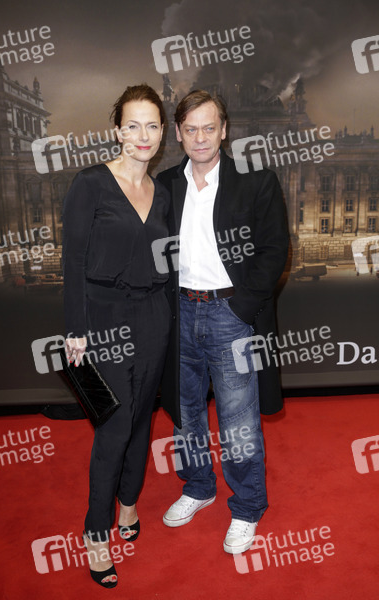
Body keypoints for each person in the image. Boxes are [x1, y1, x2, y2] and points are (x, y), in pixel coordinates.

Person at [157, 90, 289, 554]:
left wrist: (240, 308)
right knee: (185, 414)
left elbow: (274, 250)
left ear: (224, 130)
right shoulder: (165, 185)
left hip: (230, 315)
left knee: (238, 422)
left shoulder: (256, 181)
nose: (200, 138)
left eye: (209, 128)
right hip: (179, 314)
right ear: (178, 134)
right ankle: (198, 486)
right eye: (190, 129)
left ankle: (248, 506)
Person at [62, 84, 171, 588]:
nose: (142, 135)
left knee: (142, 419)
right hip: (103, 319)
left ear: (162, 132)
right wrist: (75, 330)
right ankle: (95, 532)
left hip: (154, 316)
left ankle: (129, 502)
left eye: (152, 125)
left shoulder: (162, 193)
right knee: (114, 428)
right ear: (117, 131)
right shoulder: (91, 184)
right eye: (133, 125)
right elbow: (73, 261)